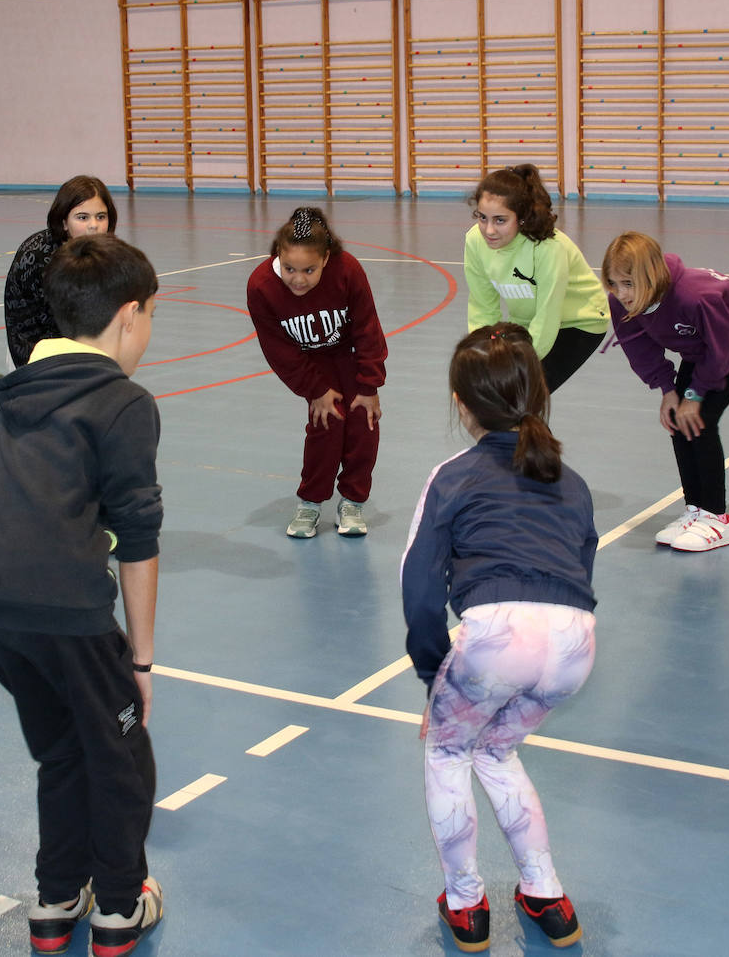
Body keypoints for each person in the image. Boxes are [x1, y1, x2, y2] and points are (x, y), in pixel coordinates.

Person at [0, 234, 164, 957]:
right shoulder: (122, 400)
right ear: (130, 315)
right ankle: (117, 906)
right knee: (122, 752)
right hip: (65, 608)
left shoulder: (19, 390)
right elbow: (137, 538)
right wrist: (140, 659)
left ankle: (54, 898)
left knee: (64, 750)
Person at [402, 322, 595, 953]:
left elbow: (421, 590)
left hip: (497, 637)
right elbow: (581, 570)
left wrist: (435, 677)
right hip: (574, 644)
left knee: (448, 750)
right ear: (539, 396)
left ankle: (465, 903)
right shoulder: (570, 479)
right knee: (497, 751)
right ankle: (545, 894)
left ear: (461, 405)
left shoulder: (451, 476)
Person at [602, 232, 729, 551]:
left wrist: (695, 396)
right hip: (700, 353)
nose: (621, 293)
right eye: (614, 284)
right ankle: (696, 509)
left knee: (701, 421)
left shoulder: (693, 296)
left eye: (628, 283)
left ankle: (717, 517)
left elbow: (722, 348)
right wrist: (668, 391)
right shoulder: (621, 301)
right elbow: (639, 348)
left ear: (650, 277)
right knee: (678, 421)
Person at [247, 206, 388, 538]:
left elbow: (368, 327)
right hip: (310, 363)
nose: (298, 279)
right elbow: (278, 351)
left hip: (350, 356)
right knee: (325, 425)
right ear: (277, 256)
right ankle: (310, 501)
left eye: (309, 269)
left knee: (363, 425)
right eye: (289, 268)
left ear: (326, 258)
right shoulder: (261, 287)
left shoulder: (348, 270)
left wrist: (369, 384)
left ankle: (353, 501)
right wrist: (315, 389)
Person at [464, 165, 609, 390]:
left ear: (521, 217)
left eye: (500, 220)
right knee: (501, 393)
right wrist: (484, 356)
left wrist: (513, 368)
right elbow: (482, 308)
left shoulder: (548, 248)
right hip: (528, 321)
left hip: (579, 321)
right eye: (482, 218)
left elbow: (547, 317)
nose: (489, 230)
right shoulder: (475, 241)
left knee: (523, 395)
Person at [4, 175, 118, 368]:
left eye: (101, 216)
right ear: (64, 222)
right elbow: (29, 333)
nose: (94, 225)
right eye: (82, 217)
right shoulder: (39, 258)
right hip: (35, 358)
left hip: (77, 352)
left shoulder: (100, 251)